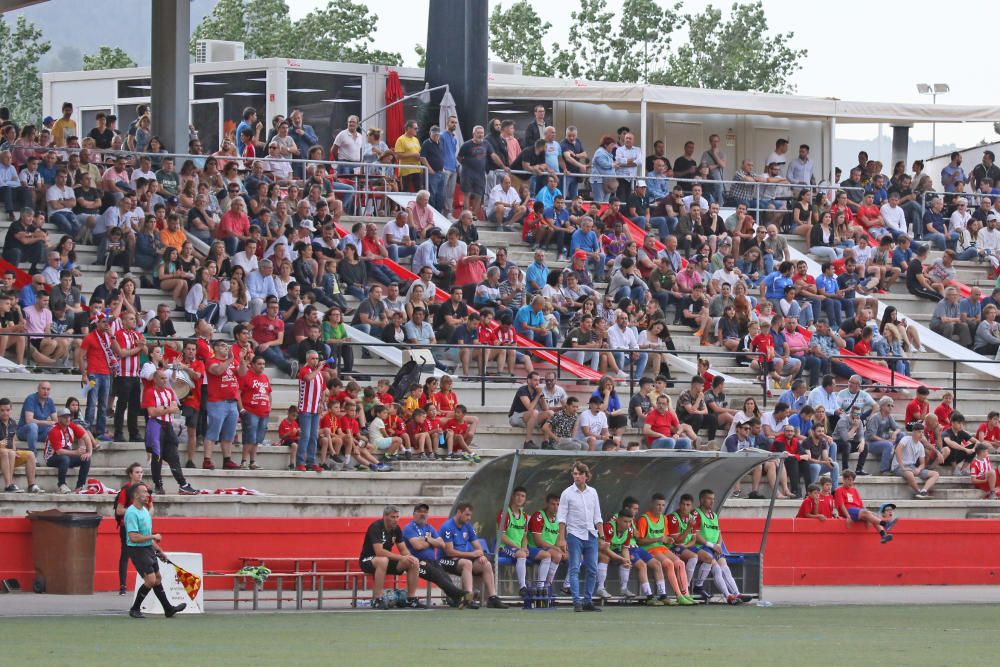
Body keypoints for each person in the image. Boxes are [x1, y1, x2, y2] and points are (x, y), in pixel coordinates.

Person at [124, 484, 187, 619]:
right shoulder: (131, 513)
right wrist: (153, 537)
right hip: (137, 549)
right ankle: (135, 608)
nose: (148, 495)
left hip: (147, 548)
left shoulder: (145, 511)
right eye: (145, 492)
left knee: (157, 578)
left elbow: (145, 534)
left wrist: (159, 550)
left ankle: (168, 609)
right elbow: (133, 537)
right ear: (136, 495)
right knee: (151, 579)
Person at [401, 503, 476, 608]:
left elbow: (441, 544)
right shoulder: (409, 528)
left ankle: (456, 600)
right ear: (414, 514)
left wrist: (426, 539)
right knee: (438, 576)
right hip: (417, 562)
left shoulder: (429, 527)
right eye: (420, 512)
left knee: (445, 578)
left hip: (433, 561)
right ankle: (463, 595)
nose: (423, 514)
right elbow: (417, 546)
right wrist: (432, 542)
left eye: (425, 512)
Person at [439, 502, 507, 608]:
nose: (469, 518)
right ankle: (468, 598)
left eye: (470, 515)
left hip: (462, 559)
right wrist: (471, 554)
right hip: (445, 560)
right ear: (458, 512)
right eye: (467, 515)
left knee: (486, 564)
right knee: (467, 563)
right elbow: (449, 552)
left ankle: (492, 598)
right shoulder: (447, 527)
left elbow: (478, 547)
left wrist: (481, 555)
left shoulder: (468, 526)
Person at [556, 461, 604, 612]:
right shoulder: (567, 493)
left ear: (586, 476)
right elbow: (562, 517)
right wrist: (561, 538)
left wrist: (601, 534)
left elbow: (597, 515)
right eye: (574, 474)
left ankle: (588, 600)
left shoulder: (593, 492)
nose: (576, 476)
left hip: (590, 533)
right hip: (574, 534)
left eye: (579, 474)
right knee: (574, 567)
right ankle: (577, 601)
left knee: (592, 569)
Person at [143, 368, 198, 496]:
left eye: (165, 378)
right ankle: (158, 485)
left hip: (167, 425)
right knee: (157, 457)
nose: (165, 380)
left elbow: (175, 408)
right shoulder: (149, 392)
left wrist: (163, 409)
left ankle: (183, 484)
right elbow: (151, 412)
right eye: (162, 378)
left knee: (174, 456)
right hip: (155, 426)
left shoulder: (169, 391)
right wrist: (168, 409)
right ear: (155, 379)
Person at [692, 489, 750, 604]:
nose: (712, 502)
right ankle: (728, 596)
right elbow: (696, 536)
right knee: (717, 568)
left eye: (713, 499)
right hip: (702, 547)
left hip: (715, 547)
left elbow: (719, 533)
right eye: (709, 499)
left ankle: (736, 593)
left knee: (725, 568)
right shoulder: (696, 513)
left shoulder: (713, 515)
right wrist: (712, 546)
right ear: (702, 500)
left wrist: (718, 545)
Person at [598, 508, 665, 606]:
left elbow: (625, 549)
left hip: (613, 551)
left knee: (626, 561)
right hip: (597, 549)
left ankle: (624, 588)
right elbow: (605, 549)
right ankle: (600, 588)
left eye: (630, 522)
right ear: (618, 520)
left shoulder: (629, 530)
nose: (628, 524)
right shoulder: (609, 527)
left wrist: (626, 560)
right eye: (625, 521)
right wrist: (622, 559)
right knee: (606, 557)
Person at [497, 486, 553, 598]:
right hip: (504, 547)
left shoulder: (524, 516)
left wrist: (525, 547)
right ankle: (523, 588)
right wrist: (520, 548)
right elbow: (501, 537)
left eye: (522, 496)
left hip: (519, 548)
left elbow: (525, 536)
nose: (520, 498)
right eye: (517, 495)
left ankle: (540, 588)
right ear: (513, 497)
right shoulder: (505, 513)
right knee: (521, 554)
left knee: (547, 555)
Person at [834, 470, 894, 544]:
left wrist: (868, 516)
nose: (851, 482)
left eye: (852, 480)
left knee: (873, 515)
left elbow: (860, 505)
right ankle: (885, 524)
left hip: (858, 511)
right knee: (867, 513)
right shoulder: (839, 490)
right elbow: (841, 505)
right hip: (849, 510)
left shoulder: (854, 490)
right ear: (844, 479)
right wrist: (848, 516)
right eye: (849, 480)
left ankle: (883, 535)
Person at [45, 407, 92, 494]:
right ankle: (62, 485)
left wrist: (89, 452)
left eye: (68, 416)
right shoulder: (54, 430)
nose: (67, 419)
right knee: (64, 458)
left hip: (67, 455)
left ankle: (80, 486)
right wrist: (76, 452)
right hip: (52, 457)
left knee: (86, 458)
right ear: (59, 418)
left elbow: (86, 436)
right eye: (64, 417)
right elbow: (59, 451)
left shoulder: (71, 425)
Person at [527, 493, 567, 593]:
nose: (556, 507)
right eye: (553, 504)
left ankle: (567, 586)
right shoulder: (539, 516)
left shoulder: (559, 518)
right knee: (556, 555)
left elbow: (559, 539)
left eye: (558, 504)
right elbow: (538, 541)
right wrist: (556, 548)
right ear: (547, 504)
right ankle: (544, 586)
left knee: (577, 556)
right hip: (534, 548)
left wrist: (562, 548)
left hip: (550, 548)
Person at [0, 397, 39, 493]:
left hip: (9, 454)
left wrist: (14, 449)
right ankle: (8, 485)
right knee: (6, 452)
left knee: (30, 454)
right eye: (2, 410)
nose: (5, 413)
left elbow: (12, 439)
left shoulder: (12, 422)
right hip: (3, 453)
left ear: (11, 410)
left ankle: (31, 485)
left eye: (8, 410)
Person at [892, 422, 939, 499]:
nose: (921, 434)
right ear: (913, 432)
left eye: (922, 432)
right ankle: (918, 491)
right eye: (919, 432)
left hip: (912, 467)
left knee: (935, 474)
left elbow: (922, 463)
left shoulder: (920, 446)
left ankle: (923, 491)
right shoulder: (906, 439)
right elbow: (898, 450)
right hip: (898, 466)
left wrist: (918, 469)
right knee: (909, 474)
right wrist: (902, 467)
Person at [508, 371, 552, 450]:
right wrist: (538, 395)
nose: (537, 383)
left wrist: (541, 396)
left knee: (550, 413)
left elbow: (546, 409)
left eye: (539, 380)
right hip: (516, 417)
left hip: (530, 418)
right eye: (535, 380)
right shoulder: (522, 390)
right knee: (534, 412)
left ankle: (546, 442)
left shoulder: (537, 391)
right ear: (528, 380)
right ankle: (527, 442)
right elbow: (530, 408)